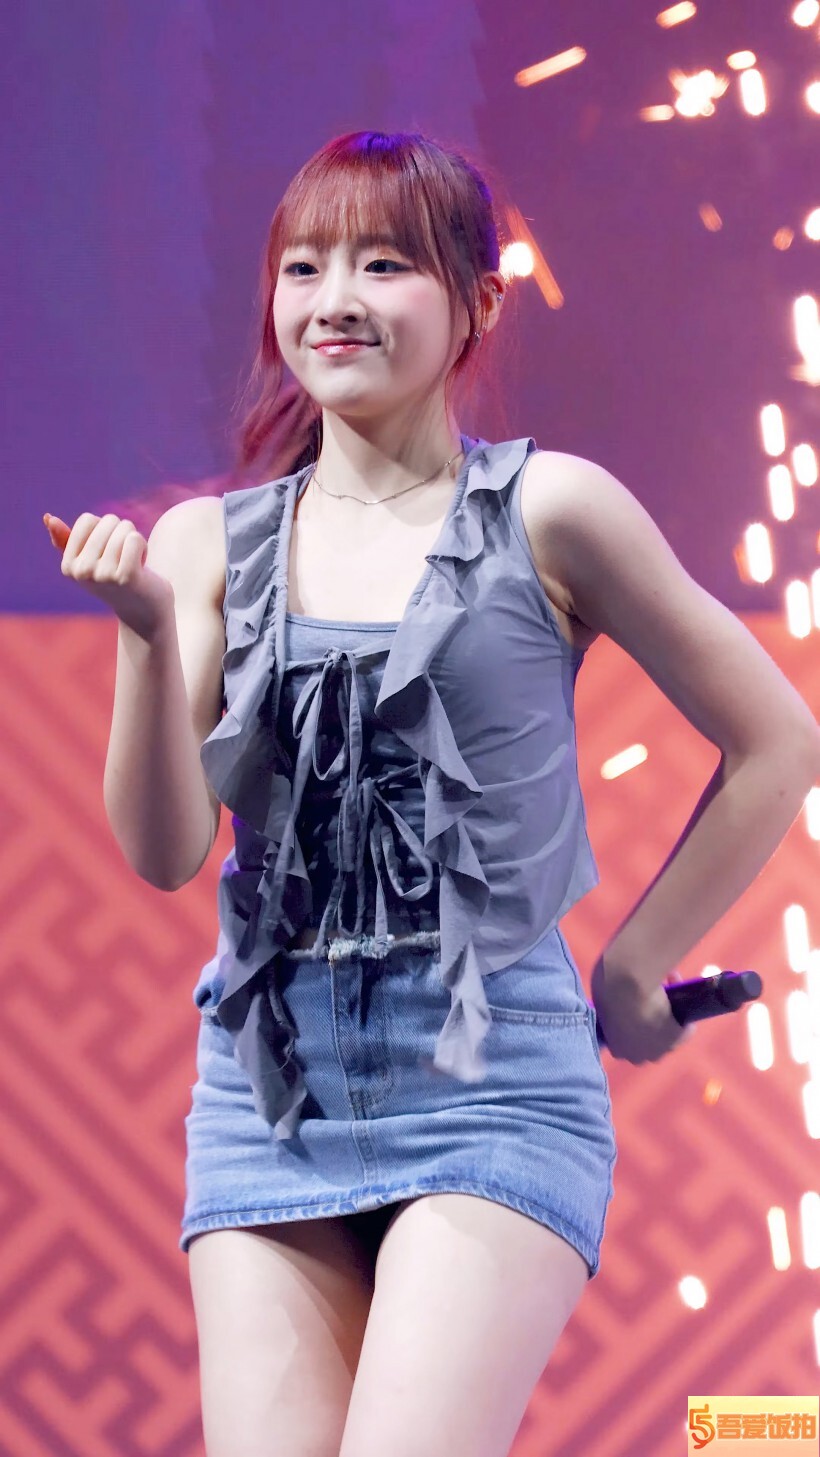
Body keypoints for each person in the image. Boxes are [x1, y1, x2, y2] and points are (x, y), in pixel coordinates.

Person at [44, 129, 820, 1457]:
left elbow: (777, 740)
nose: (334, 299)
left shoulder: (551, 508)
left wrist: (633, 969)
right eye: (304, 267)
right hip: (267, 1092)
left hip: (492, 1082)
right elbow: (165, 853)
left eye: (384, 263)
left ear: (480, 300)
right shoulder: (205, 545)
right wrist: (146, 633)